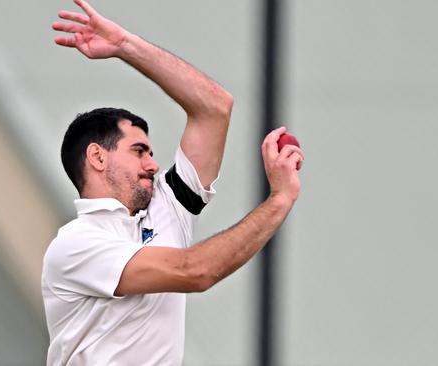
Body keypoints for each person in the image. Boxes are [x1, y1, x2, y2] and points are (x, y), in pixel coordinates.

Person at [41, 1, 304, 365]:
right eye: (139, 151)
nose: (153, 164)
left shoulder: (163, 210)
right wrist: (278, 201)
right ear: (97, 157)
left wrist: (124, 46)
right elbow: (195, 272)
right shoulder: (74, 245)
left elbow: (215, 107)